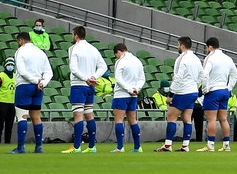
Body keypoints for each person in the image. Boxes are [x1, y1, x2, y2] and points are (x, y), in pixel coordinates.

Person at [155, 36, 207, 152]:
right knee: (187, 119)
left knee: (171, 118)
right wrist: (196, 85)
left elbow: (178, 77)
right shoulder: (196, 59)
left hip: (182, 92)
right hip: (193, 92)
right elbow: (202, 76)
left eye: (178, 45)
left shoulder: (181, 59)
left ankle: (167, 145)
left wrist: (170, 95)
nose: (177, 47)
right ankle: (185, 145)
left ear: (182, 46)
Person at [63, 25, 107, 154]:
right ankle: (92, 146)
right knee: (89, 114)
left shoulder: (73, 48)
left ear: (76, 36)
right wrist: (94, 77)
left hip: (79, 84)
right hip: (90, 86)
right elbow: (103, 67)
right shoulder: (93, 49)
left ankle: (77, 147)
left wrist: (86, 78)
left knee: (78, 115)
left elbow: (73, 69)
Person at [8, 32, 53, 154]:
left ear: (20, 41)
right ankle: (39, 146)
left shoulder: (20, 51)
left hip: (24, 86)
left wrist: (35, 80)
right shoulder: (40, 52)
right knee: (36, 117)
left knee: (22, 116)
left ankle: (21, 147)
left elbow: (22, 71)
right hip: (38, 89)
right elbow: (49, 72)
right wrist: (42, 83)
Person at [198, 37, 237, 152]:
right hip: (224, 90)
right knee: (223, 119)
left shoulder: (210, 58)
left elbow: (204, 74)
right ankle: (226, 145)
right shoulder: (227, 58)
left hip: (213, 91)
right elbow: (235, 74)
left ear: (210, 47)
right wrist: (229, 88)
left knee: (211, 119)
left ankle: (210, 145)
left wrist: (205, 89)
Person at [110, 43, 145, 153]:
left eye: (116, 54)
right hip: (133, 95)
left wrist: (129, 89)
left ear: (118, 52)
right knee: (133, 120)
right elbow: (142, 78)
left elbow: (118, 79)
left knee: (119, 120)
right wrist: (136, 89)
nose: (116, 57)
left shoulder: (120, 61)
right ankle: (137, 147)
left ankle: (120, 147)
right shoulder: (137, 61)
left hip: (121, 94)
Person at [0, 57, 16, 145]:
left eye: (12, 65)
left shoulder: (15, 76)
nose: (10, 66)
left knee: (9, 126)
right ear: (5, 66)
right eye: (9, 65)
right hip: (2, 103)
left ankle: (7, 143)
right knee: (0, 125)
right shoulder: (1, 75)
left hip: (12, 103)